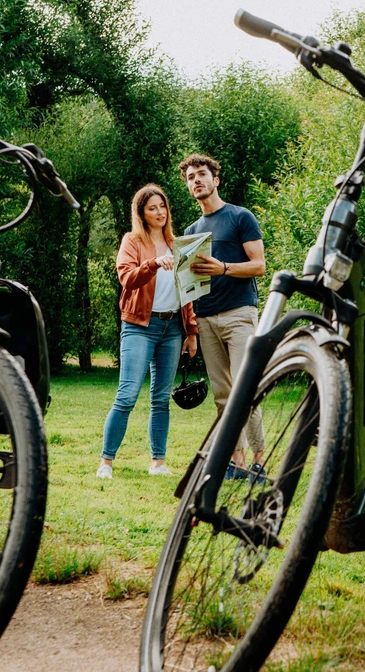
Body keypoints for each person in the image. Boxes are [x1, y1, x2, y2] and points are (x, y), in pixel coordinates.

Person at [97, 184, 198, 479]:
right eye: (152, 208)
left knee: (160, 398)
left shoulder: (178, 244)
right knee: (127, 395)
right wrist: (153, 263)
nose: (159, 212)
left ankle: (158, 463)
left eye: (162, 206)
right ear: (141, 213)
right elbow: (127, 278)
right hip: (139, 325)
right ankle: (106, 462)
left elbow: (188, 289)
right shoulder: (132, 241)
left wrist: (191, 331)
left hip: (172, 328)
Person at [181, 153, 266, 476]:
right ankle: (237, 461)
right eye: (190, 177)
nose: (196, 180)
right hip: (206, 318)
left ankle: (259, 461)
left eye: (201, 174)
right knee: (222, 394)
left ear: (215, 180)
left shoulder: (240, 217)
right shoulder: (192, 231)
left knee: (247, 389)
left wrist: (224, 268)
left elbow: (259, 265)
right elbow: (190, 283)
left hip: (239, 314)